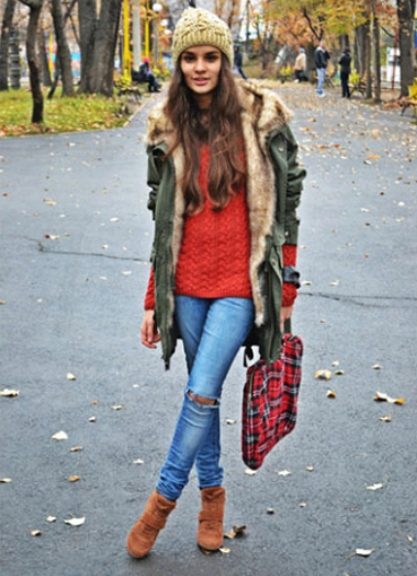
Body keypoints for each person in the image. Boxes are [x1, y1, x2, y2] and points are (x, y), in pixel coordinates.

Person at [126, 7, 305, 559]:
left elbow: (288, 203)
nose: (200, 67)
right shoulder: (166, 126)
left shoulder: (261, 117)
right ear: (178, 63)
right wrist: (154, 298)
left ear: (225, 60)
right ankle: (213, 499)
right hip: (185, 285)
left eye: (210, 56)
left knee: (202, 391)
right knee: (200, 398)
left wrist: (287, 282)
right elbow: (161, 220)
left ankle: (160, 503)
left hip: (238, 285)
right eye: (189, 57)